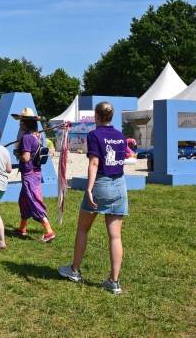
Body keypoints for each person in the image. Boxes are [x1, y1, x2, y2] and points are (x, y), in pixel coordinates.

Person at [58, 102, 128, 295]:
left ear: (97, 117)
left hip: (101, 184)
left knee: (82, 229)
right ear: (111, 116)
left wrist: (89, 189)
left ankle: (74, 270)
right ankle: (114, 281)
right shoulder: (120, 136)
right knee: (115, 236)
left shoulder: (94, 135)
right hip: (120, 185)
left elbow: (94, 163)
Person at [12, 108, 56, 243]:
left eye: (21, 122)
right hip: (36, 171)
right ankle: (22, 228)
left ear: (25, 123)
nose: (20, 124)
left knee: (33, 200)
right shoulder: (37, 135)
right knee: (24, 200)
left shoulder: (26, 137)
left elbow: (25, 158)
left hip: (29, 172)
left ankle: (49, 231)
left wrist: (17, 153)